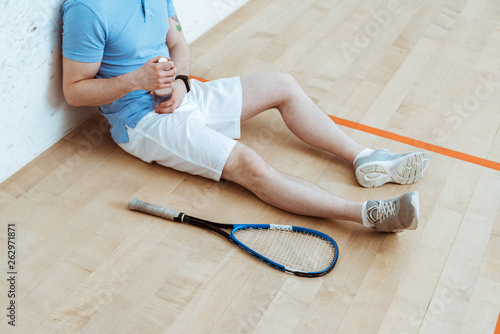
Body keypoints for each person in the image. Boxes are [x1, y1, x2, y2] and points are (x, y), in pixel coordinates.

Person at [61, 0, 431, 232]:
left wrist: (184, 82)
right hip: (142, 122)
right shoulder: (87, 9)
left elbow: (178, 44)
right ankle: (369, 214)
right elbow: (74, 90)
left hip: (181, 94)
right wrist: (135, 80)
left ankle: (365, 158)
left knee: (282, 84)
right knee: (249, 164)